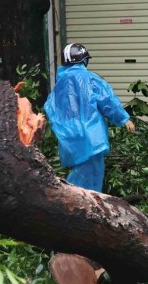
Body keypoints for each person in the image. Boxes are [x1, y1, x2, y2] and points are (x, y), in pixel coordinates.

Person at [45, 43, 135, 192]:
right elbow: (107, 101)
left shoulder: (59, 85)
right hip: (92, 136)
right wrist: (123, 119)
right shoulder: (90, 79)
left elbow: (51, 110)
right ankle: (73, 211)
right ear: (83, 60)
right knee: (86, 184)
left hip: (70, 140)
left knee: (81, 178)